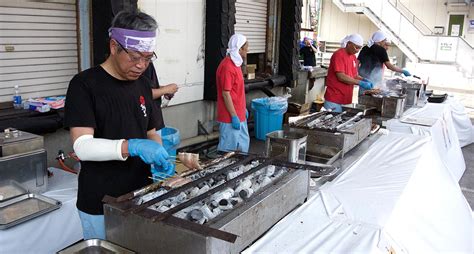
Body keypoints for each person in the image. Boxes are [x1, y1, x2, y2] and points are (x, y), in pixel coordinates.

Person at [64, 10, 173, 240]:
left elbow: (151, 130)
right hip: (100, 201)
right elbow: (82, 146)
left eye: (148, 57)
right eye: (135, 57)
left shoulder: (143, 85)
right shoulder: (84, 85)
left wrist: (160, 154)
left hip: (140, 195)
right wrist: (131, 146)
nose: (141, 65)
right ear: (114, 46)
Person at [216, 33, 250, 153]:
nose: (248, 50)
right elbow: (226, 94)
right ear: (239, 48)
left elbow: (236, 90)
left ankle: (239, 170)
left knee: (242, 147)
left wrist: (242, 109)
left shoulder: (236, 64)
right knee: (228, 151)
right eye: (246, 48)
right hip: (230, 116)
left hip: (238, 113)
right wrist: (234, 116)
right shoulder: (227, 67)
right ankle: (224, 172)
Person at [324, 34, 373, 112]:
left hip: (346, 98)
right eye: (356, 47)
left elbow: (354, 75)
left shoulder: (353, 57)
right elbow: (341, 76)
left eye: (359, 48)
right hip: (334, 98)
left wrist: (364, 79)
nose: (357, 50)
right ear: (349, 43)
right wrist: (360, 83)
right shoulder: (338, 55)